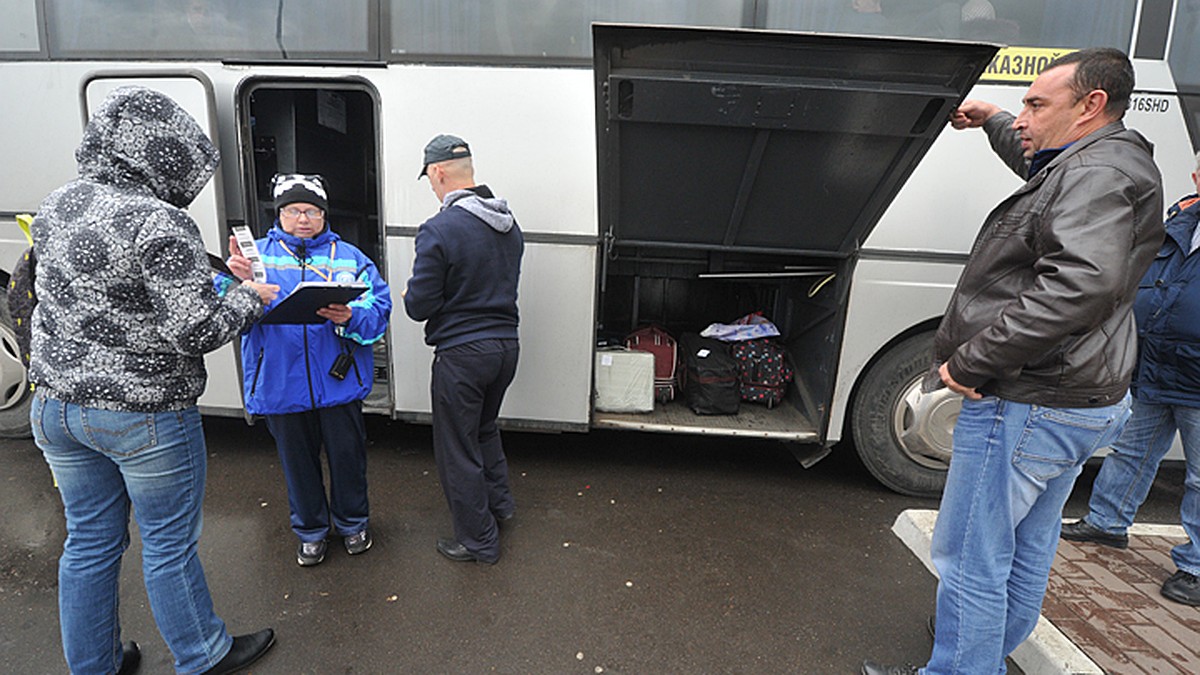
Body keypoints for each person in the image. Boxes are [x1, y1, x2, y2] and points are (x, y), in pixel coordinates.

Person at [862, 47, 1164, 675]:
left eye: (1036, 104)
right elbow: (1038, 165)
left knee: (972, 557)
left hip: (1027, 400)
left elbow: (1077, 285)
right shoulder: (1100, 161)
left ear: (1091, 106)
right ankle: (984, 664)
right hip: (1074, 399)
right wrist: (995, 116)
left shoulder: (1095, 176)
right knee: (1024, 549)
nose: (1023, 117)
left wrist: (972, 363)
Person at [29, 86, 278, 674]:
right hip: (143, 413)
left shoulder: (58, 203)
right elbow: (195, 329)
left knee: (89, 543)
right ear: (166, 156)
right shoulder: (158, 220)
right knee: (167, 544)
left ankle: (96, 665)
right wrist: (250, 298)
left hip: (57, 407)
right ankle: (203, 654)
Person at [225, 173, 392, 567]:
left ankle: (353, 524)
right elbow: (226, 315)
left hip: (339, 383)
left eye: (312, 210)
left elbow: (379, 311)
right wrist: (244, 287)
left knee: (348, 458)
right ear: (279, 213)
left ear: (323, 214)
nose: (304, 218)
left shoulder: (350, 257)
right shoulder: (254, 259)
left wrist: (351, 315)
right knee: (297, 464)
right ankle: (311, 531)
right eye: (294, 210)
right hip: (280, 382)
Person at [1060, 151, 1200, 607]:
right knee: (1132, 451)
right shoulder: (1180, 220)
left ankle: (1196, 567)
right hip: (1156, 365)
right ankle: (1107, 523)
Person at [403, 134, 523, 565]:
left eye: (430, 181)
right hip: (506, 346)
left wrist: (408, 294)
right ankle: (500, 507)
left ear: (438, 173)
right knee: (485, 429)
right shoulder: (509, 225)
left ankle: (478, 541)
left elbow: (420, 305)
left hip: (463, 354)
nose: (433, 189)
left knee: (457, 449)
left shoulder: (440, 228)